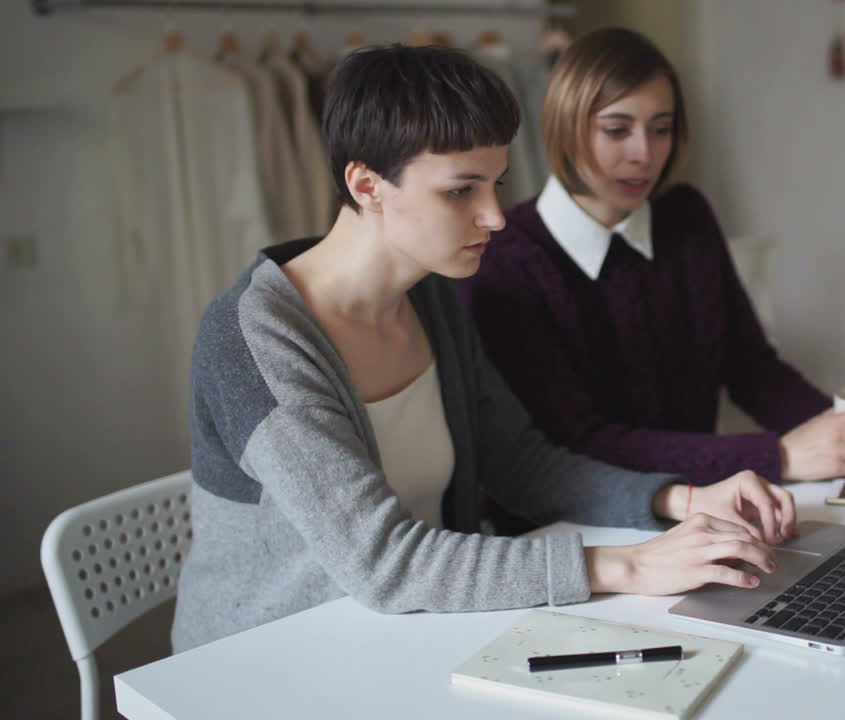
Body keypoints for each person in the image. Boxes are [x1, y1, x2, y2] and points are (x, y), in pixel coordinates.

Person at [172, 44, 795, 653]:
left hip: (411, 631)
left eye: (496, 184)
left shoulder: (431, 299)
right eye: (461, 190)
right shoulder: (253, 340)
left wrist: (680, 499)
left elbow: (522, 464)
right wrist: (630, 567)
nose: (495, 216)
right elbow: (385, 563)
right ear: (366, 184)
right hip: (268, 659)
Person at [458, 28, 845, 491]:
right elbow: (578, 443)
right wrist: (782, 456)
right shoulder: (505, 259)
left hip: (710, 500)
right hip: (581, 532)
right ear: (564, 125)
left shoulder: (686, 217)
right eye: (617, 130)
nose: (644, 153)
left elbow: (751, 367)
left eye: (661, 129)